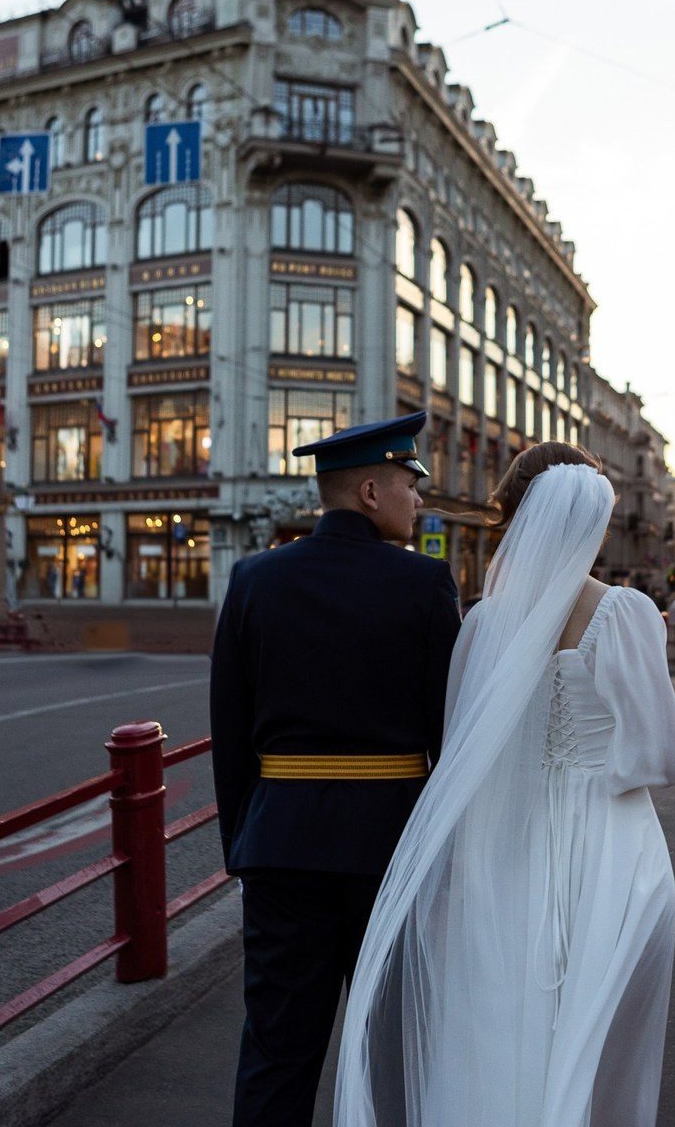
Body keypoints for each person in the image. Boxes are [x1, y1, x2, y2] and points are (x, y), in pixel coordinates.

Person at [335, 443, 675, 1127]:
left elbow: (463, 750)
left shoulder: (482, 624)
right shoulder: (624, 613)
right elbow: (661, 756)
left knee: (498, 1016)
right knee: (599, 1033)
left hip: (505, 848)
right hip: (608, 843)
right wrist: (596, 764)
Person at [210, 410, 461, 1127]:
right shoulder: (424, 583)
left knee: (277, 1048)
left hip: (280, 846)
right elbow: (449, 730)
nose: (419, 497)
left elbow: (231, 733)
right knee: (393, 1047)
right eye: (410, 483)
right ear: (371, 493)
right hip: (391, 847)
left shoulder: (254, 579)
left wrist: (243, 844)